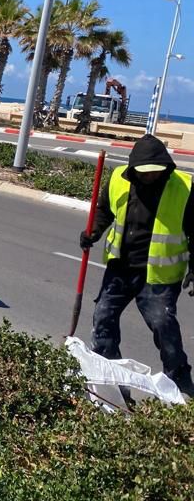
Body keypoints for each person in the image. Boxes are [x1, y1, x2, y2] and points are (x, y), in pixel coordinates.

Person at [80, 134, 194, 398]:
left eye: (155, 172)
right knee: (103, 318)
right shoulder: (120, 179)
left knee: (163, 324)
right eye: (144, 173)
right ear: (134, 170)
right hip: (121, 269)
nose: (150, 177)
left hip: (159, 276)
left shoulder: (185, 189)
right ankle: (111, 379)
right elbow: (104, 210)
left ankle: (179, 380)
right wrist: (93, 232)